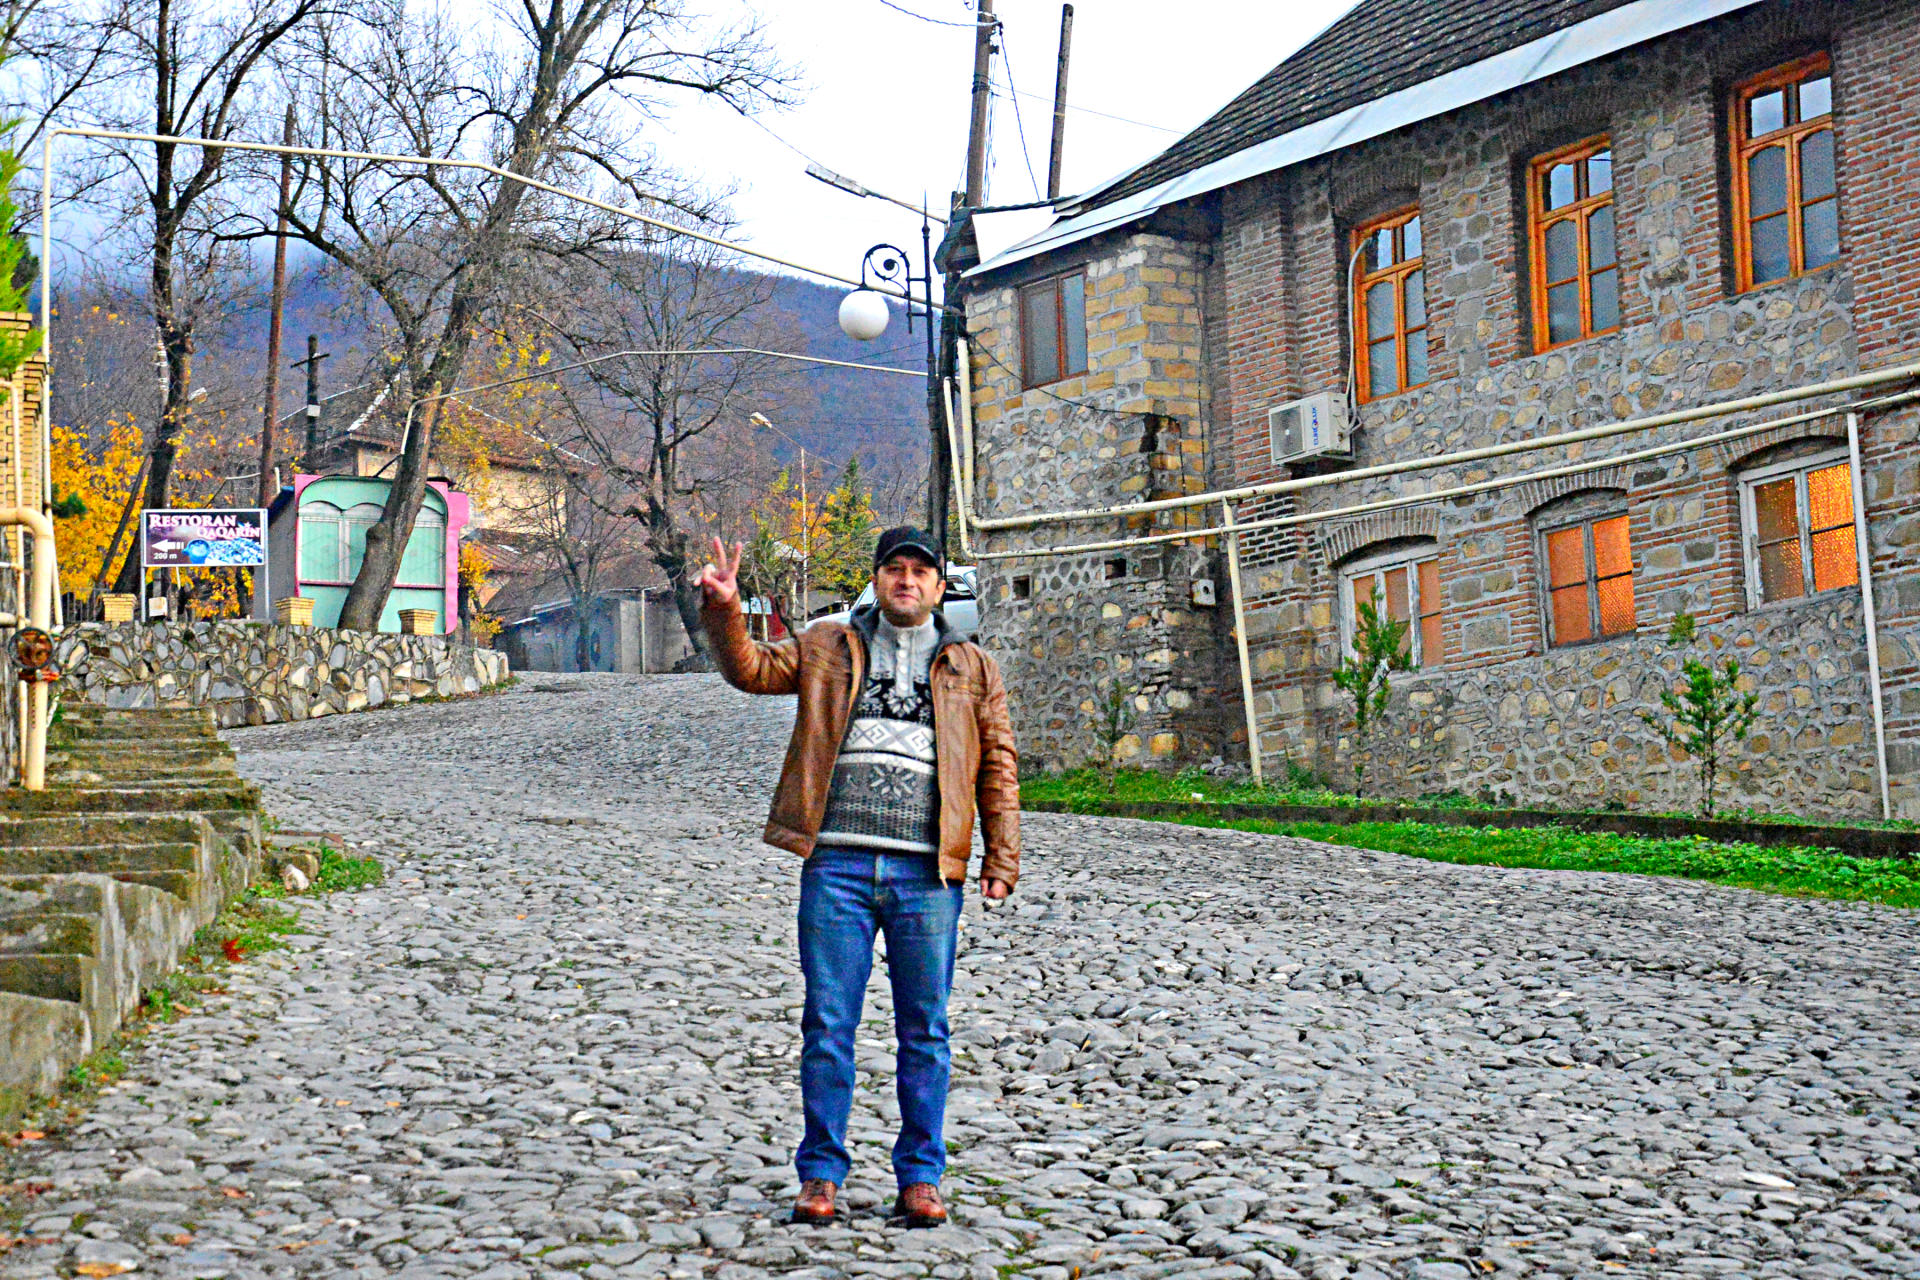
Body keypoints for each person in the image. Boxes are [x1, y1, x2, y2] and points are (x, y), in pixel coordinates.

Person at [694, 526, 1021, 1229]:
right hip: (836, 863)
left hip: (927, 874)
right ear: (875, 580)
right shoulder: (826, 644)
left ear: (940, 588)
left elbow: (998, 766)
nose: (906, 580)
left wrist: (1001, 858)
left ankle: (921, 1178)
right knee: (829, 1023)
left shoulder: (973, 667)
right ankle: (820, 1175)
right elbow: (749, 670)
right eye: (893, 569)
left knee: (925, 1028)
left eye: (920, 572)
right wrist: (724, 609)